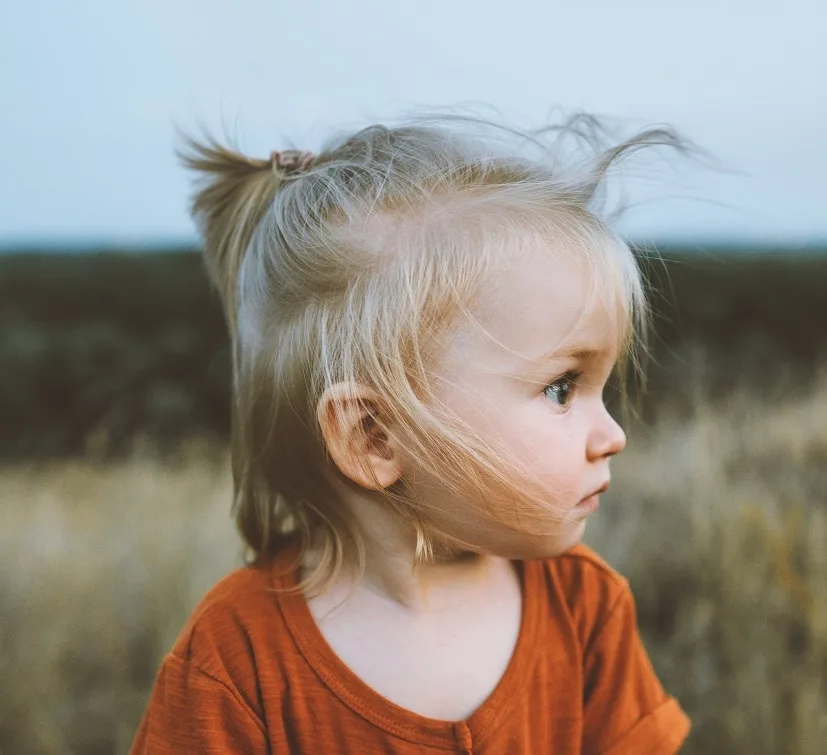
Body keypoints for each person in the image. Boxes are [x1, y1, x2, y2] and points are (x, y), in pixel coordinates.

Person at [131, 111, 691, 754]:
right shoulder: (236, 666)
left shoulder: (584, 605)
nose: (613, 433)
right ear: (375, 438)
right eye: (561, 387)